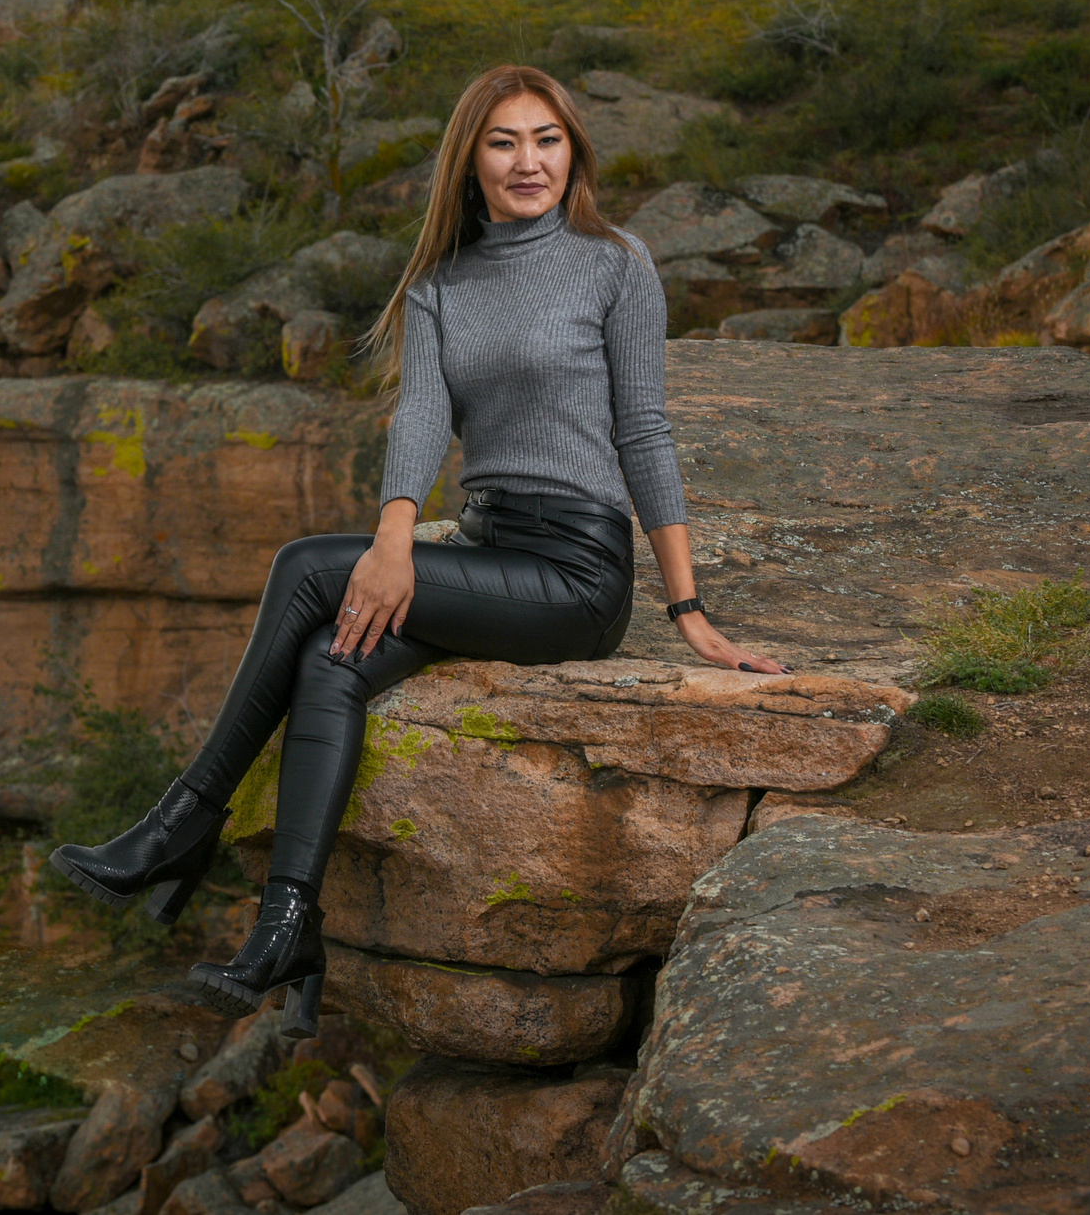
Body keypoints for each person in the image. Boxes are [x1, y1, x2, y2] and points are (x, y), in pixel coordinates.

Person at [49, 65, 788, 1037]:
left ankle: (180, 822)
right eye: (503, 141)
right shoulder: (442, 283)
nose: (529, 161)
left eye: (547, 139)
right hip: (487, 547)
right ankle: (286, 927)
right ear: (469, 161)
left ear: (574, 151)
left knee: (308, 568)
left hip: (575, 573)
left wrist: (688, 611)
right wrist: (398, 532)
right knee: (331, 655)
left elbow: (644, 432)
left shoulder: (616, 263)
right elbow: (423, 416)